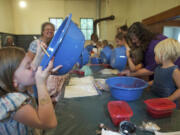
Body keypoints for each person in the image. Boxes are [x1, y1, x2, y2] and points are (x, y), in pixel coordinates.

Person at [0, 46, 61, 134]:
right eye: (29, 67)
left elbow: (29, 70)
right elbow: (49, 123)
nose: (34, 68)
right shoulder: (12, 101)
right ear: (13, 80)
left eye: (32, 63)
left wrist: (39, 56)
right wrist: (41, 83)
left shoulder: (21, 86)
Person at [28, 22, 64, 102]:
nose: (50, 31)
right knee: (39, 99)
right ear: (42, 31)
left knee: (46, 99)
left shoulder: (53, 45)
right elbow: (29, 61)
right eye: (47, 29)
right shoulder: (35, 43)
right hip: (36, 76)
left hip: (47, 76)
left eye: (52, 30)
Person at [150, 38, 180, 106]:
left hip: (167, 105)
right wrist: (146, 84)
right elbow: (157, 81)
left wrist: (169, 99)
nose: (154, 57)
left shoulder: (174, 71)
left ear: (162, 54)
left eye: (155, 54)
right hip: (155, 100)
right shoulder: (158, 68)